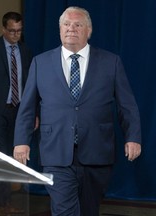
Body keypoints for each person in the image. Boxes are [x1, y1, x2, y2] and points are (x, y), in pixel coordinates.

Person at [13, 6, 141, 216]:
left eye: (77, 24)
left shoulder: (111, 62)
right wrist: (21, 141)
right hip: (55, 153)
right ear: (60, 29)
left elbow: (127, 105)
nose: (71, 28)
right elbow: (27, 107)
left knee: (89, 210)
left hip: (97, 152)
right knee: (65, 211)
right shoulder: (40, 63)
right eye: (66, 24)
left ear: (88, 31)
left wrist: (133, 137)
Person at [0, 11, 32, 214]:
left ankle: (2, 200)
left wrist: (33, 113)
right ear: (3, 29)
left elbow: (30, 84)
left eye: (19, 31)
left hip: (17, 112)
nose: (15, 35)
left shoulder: (26, 51)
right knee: (2, 156)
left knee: (12, 155)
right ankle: (2, 203)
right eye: (11, 31)